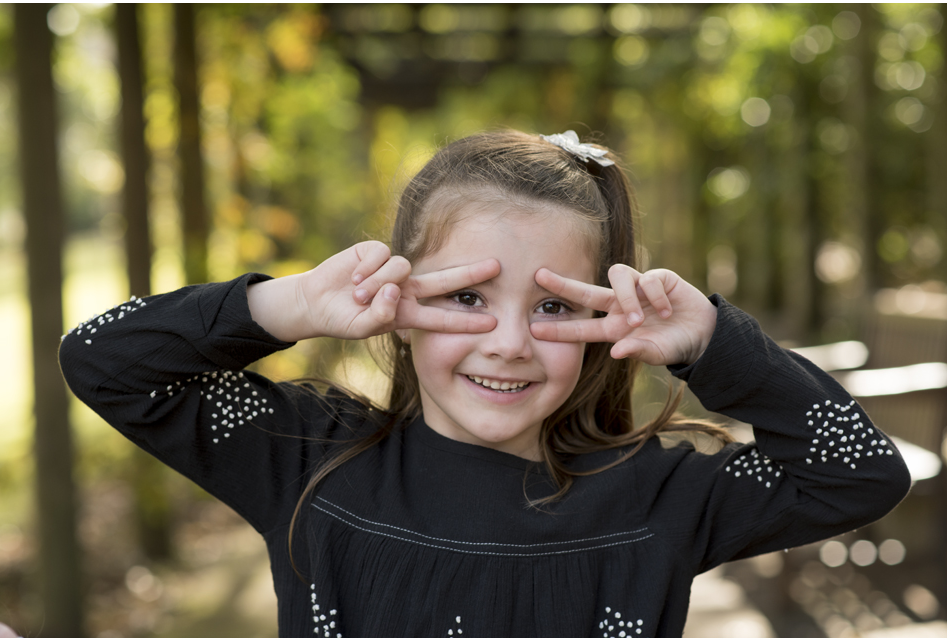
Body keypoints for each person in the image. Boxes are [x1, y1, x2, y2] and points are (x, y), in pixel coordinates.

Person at [59, 129, 910, 637]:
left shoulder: (658, 495)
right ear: (398, 301)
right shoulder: (305, 459)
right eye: (467, 297)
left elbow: (859, 472)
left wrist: (715, 344)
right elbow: (105, 360)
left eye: (549, 306)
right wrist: (290, 304)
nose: (507, 342)